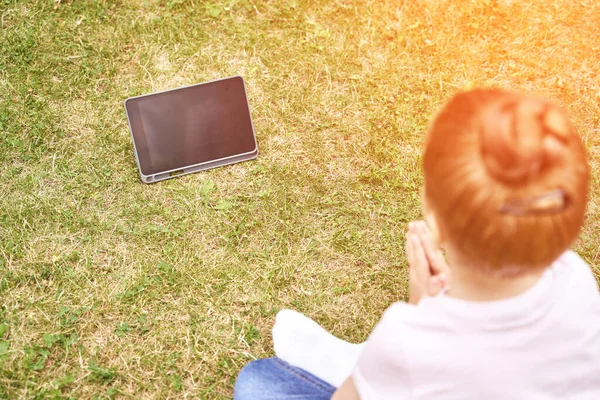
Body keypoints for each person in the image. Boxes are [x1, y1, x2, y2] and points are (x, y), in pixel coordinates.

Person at [233, 88, 600, 399]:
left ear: (435, 224)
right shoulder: (578, 280)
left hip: (405, 368)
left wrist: (418, 315)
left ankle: (362, 368)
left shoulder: (407, 341)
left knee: (258, 381)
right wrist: (432, 310)